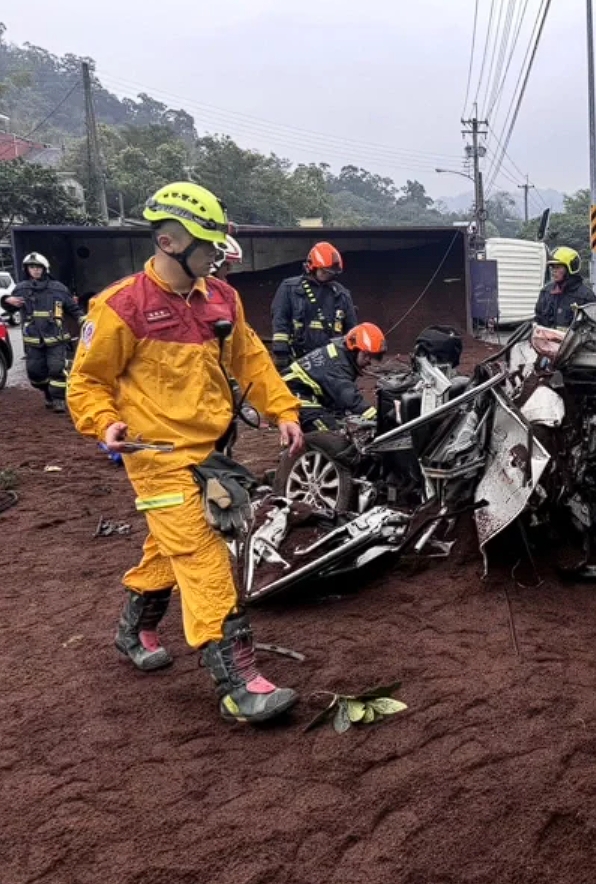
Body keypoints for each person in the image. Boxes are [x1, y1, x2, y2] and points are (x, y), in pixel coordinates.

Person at [67, 181, 306, 726]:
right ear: (171, 241)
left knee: (168, 546)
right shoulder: (120, 307)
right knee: (201, 551)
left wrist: (283, 411)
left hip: (211, 453)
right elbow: (85, 384)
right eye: (208, 244)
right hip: (155, 457)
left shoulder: (222, 297)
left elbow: (251, 359)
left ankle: (134, 627)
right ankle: (238, 685)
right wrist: (105, 424)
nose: (218, 254)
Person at [1, 252, 84, 412]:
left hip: (56, 338)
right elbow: (10, 307)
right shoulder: (21, 289)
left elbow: (73, 309)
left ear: (45, 269)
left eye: (39, 267)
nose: (36, 270)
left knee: (56, 369)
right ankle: (47, 393)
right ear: (27, 270)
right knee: (35, 373)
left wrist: (84, 320)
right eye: (32, 267)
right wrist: (6, 301)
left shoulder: (58, 288)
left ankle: (59, 399)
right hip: (33, 340)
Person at [282, 322, 385, 433]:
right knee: (332, 434)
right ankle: (305, 446)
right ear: (354, 350)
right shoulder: (338, 364)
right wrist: (377, 418)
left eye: (375, 357)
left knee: (339, 419)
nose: (369, 361)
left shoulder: (340, 355)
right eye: (366, 355)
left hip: (305, 393)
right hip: (292, 395)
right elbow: (349, 397)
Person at [270, 241, 358, 369]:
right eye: (324, 272)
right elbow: (280, 319)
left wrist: (352, 357)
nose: (327, 276)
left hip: (330, 360)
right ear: (312, 267)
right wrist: (280, 352)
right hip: (297, 357)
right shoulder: (290, 288)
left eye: (331, 273)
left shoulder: (341, 294)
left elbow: (351, 329)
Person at [534, 246, 596, 329]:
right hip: (546, 340)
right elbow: (538, 320)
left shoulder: (586, 296)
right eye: (552, 267)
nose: (553, 271)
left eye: (558, 267)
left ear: (570, 269)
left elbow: (594, 329)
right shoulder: (546, 292)